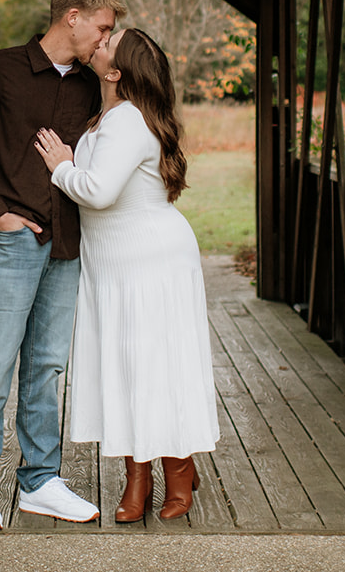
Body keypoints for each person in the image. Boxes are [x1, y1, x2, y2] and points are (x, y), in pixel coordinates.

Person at [0, 0, 127, 530]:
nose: (106, 39)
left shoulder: (90, 88)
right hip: (11, 241)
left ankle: (40, 482)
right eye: (101, 27)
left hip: (67, 245)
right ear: (72, 17)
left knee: (47, 367)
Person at [34, 28, 219, 523]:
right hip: (115, 263)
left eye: (109, 41)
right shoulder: (107, 118)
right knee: (127, 367)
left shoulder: (129, 120)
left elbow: (97, 192)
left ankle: (179, 469)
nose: (99, 41)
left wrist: (61, 166)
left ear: (115, 72)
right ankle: (138, 474)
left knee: (158, 365)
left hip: (149, 261)